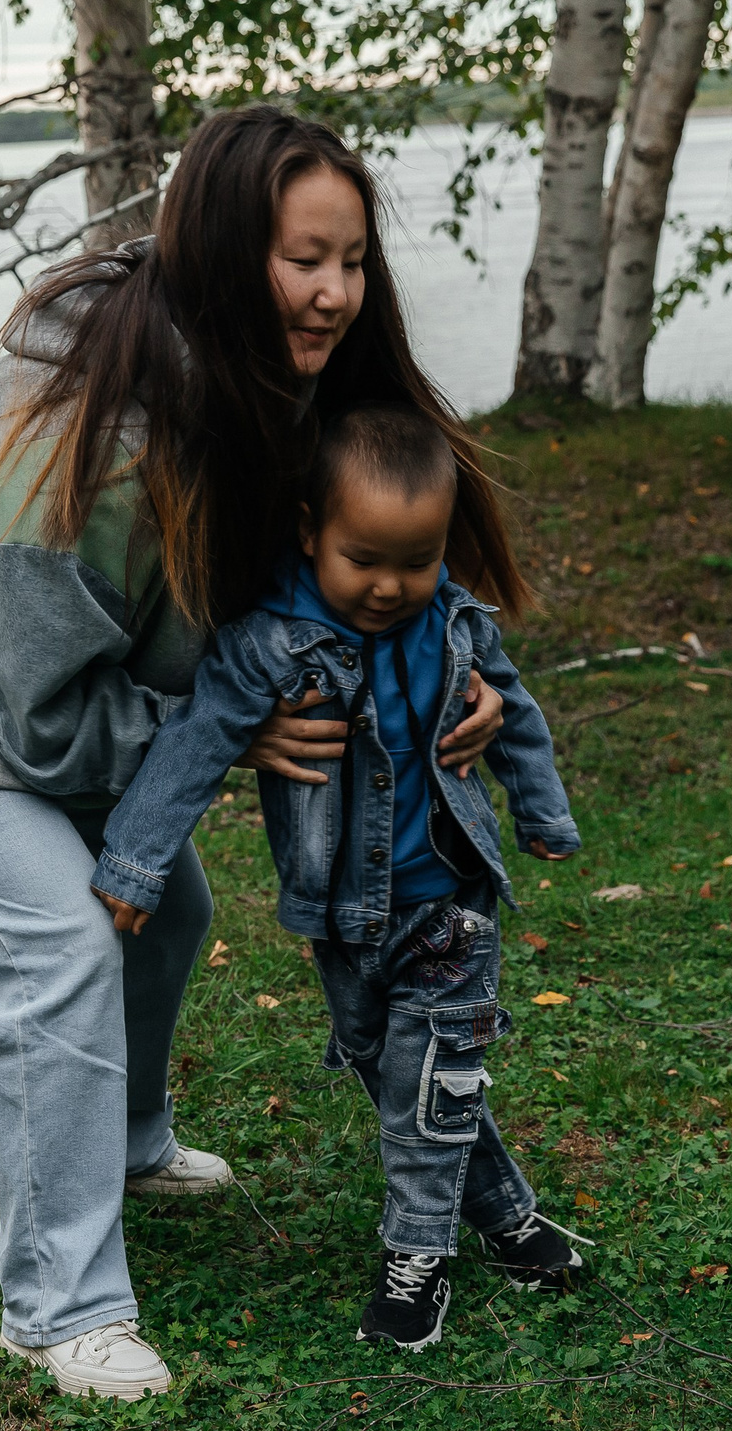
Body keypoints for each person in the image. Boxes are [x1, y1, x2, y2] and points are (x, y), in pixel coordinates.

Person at [0, 107, 507, 1398]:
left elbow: (357, 554)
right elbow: (35, 709)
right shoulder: (100, 431)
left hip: (27, 672)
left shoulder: (269, 381)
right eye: (304, 259)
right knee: (62, 941)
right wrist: (222, 740)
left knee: (167, 912)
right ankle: (61, 1308)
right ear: (224, 248)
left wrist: (462, 678)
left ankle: (124, 1146)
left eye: (351, 261)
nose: (335, 294)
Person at [88, 402, 585, 1352]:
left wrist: (543, 810)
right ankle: (513, 1225)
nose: (394, 586)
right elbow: (195, 744)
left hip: (450, 904)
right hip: (344, 919)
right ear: (313, 531)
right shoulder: (268, 643)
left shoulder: (454, 622)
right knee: (406, 1078)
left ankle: (417, 1261)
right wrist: (137, 861)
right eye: (366, 560)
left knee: (433, 1079)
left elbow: (512, 709)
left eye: (419, 559)